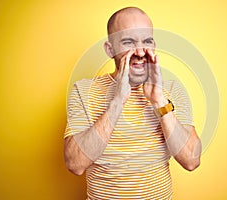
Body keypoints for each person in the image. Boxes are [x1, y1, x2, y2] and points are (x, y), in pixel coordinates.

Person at [64, 7, 202, 200]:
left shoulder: (172, 90)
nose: (140, 51)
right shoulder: (84, 91)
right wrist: (117, 102)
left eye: (147, 41)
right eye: (128, 42)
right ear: (110, 50)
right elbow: (75, 164)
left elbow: (191, 160)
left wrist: (159, 101)